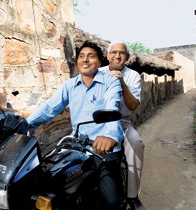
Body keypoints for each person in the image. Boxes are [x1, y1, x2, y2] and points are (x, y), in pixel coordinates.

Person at [26, 40, 124, 209]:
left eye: (91, 56)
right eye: (81, 56)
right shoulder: (69, 85)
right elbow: (50, 107)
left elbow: (112, 107)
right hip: (76, 146)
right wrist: (26, 123)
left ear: (100, 62)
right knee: (48, 183)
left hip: (102, 147)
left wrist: (110, 136)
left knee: (112, 201)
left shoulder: (111, 82)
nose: (85, 60)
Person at [99, 41, 145, 210]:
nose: (117, 56)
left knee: (136, 143)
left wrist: (122, 83)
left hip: (122, 123)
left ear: (127, 57)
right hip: (99, 122)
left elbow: (133, 105)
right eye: (114, 52)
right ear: (107, 55)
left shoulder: (133, 75)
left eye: (122, 53)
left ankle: (132, 196)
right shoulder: (98, 72)